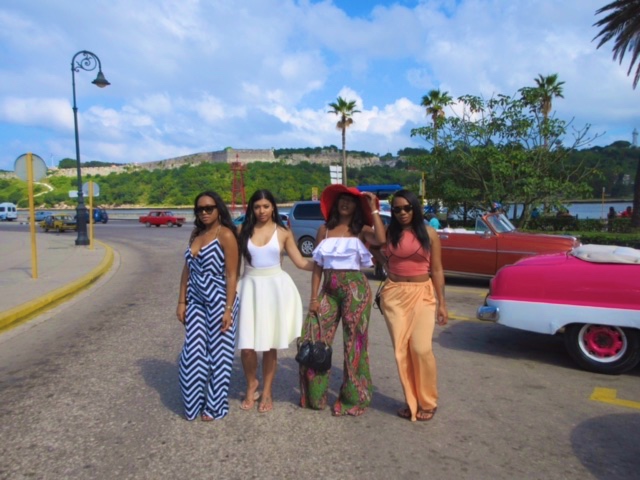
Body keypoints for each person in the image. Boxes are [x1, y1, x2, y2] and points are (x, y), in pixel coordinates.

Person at [300, 184, 379, 416]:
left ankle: (353, 398)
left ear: (357, 206)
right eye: (342, 199)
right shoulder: (324, 230)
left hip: (356, 290)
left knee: (354, 344)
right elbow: (317, 266)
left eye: (351, 200)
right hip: (328, 289)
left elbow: (381, 239)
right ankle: (315, 397)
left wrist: (374, 208)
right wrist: (313, 298)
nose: (345, 203)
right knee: (314, 337)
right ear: (335, 204)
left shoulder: (362, 229)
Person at [370, 189, 448, 422]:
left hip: (422, 293)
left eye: (407, 208)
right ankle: (411, 402)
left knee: (421, 349)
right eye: (397, 209)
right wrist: (374, 209)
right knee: (401, 352)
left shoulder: (429, 233)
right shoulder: (389, 233)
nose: (402, 212)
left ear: (415, 208)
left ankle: (428, 401)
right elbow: (374, 243)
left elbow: (437, 270)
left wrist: (442, 304)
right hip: (394, 295)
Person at [236, 189, 314, 413]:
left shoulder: (283, 232)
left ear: (273, 208)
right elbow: (231, 266)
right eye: (257, 207)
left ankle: (267, 391)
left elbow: (301, 262)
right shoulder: (242, 230)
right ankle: (252, 383)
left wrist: (326, 264)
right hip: (249, 288)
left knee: (270, 345)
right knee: (247, 346)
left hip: (275, 290)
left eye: (266, 206)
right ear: (251, 209)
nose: (261, 211)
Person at [176, 191, 239, 421]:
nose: (204, 212)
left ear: (218, 209)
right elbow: (187, 270)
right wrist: (181, 301)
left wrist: (228, 309)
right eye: (200, 209)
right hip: (195, 301)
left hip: (220, 301)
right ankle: (193, 404)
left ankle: (214, 406)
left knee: (220, 356)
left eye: (209, 208)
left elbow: (232, 275)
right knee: (191, 354)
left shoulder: (226, 235)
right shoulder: (196, 233)